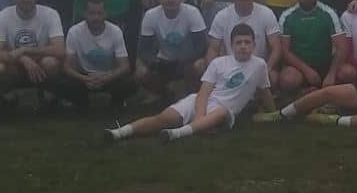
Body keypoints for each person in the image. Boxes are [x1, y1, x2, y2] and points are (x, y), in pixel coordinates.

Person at [103, 23, 274, 142]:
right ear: (231, 45)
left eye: (247, 42)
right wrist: (200, 117)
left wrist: (274, 113)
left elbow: (265, 91)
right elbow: (204, 93)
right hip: (199, 102)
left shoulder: (259, 65)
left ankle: (176, 134)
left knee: (221, 112)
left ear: (254, 44)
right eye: (239, 42)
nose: (243, 46)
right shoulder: (219, 62)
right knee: (163, 118)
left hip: (224, 111)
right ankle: (119, 132)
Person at [0, 0, 66, 114]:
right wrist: (22, 58)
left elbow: (60, 50)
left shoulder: (50, 14)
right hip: (15, 65)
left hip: (40, 64)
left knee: (51, 63)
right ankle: (9, 97)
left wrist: (25, 49)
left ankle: (47, 95)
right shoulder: (3, 15)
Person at [135, 0, 209, 101]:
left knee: (200, 64)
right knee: (140, 70)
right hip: (163, 61)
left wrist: (182, 62)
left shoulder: (193, 12)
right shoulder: (150, 15)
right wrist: (154, 62)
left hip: (189, 60)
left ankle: (193, 96)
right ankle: (165, 93)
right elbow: (144, 50)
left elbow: (201, 47)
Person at [276, 0, 347, 94]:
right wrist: (306, 70)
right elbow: (284, 51)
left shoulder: (329, 13)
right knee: (288, 79)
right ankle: (303, 94)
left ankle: (329, 95)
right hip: (299, 68)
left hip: (326, 66)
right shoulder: (286, 16)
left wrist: (332, 74)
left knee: (348, 73)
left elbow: (342, 47)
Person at [61, 0, 135, 109]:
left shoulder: (115, 31)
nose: (96, 17)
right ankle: (82, 102)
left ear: (106, 14)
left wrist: (105, 79)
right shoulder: (74, 32)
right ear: (84, 14)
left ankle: (115, 101)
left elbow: (125, 66)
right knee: (61, 81)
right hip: (84, 77)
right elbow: (66, 67)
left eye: (100, 13)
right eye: (91, 13)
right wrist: (85, 79)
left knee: (132, 83)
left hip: (109, 77)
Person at [207, 0, 283, 71]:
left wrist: (267, 68)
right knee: (200, 66)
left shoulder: (266, 13)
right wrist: (214, 71)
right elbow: (213, 49)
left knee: (273, 76)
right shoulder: (221, 16)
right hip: (229, 68)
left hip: (259, 66)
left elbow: (276, 47)